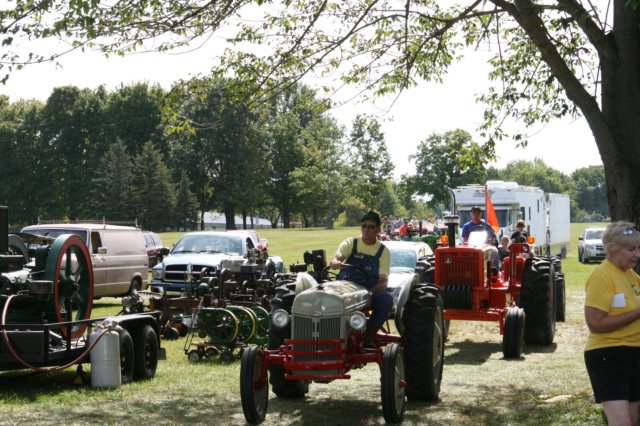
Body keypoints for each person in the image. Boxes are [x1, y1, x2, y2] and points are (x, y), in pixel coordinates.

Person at [584, 222, 640, 426]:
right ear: (614, 249)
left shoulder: (631, 275)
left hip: (634, 353)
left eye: (639, 248)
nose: (637, 254)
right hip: (608, 356)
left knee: (633, 420)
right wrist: (637, 314)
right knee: (621, 422)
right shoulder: (602, 276)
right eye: (631, 249)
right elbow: (595, 323)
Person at [330, 210, 393, 348]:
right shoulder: (351, 243)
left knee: (386, 298)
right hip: (344, 285)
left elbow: (383, 280)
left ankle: (369, 336)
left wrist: (369, 293)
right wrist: (335, 261)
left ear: (378, 229)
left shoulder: (383, 251)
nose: (366, 230)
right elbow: (338, 256)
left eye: (371, 227)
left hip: (368, 290)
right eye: (364, 226)